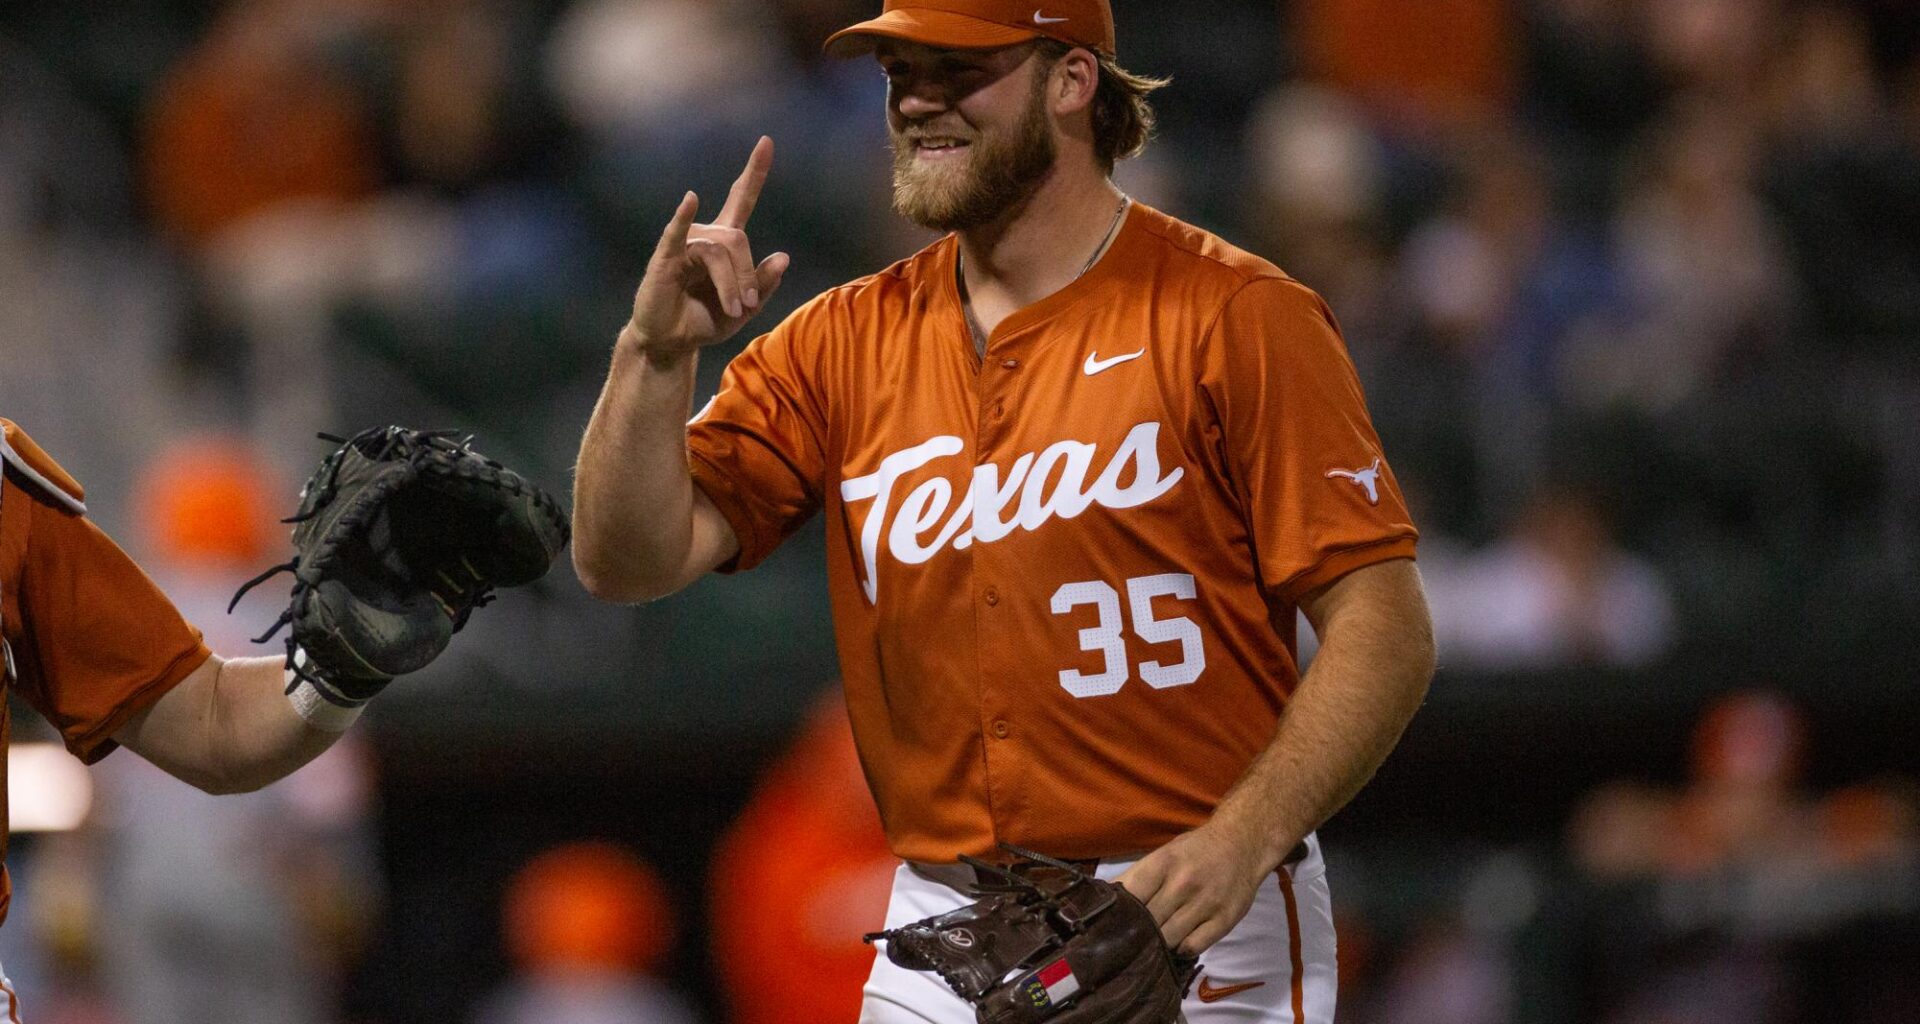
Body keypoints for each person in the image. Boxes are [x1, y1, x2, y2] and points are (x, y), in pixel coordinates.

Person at [571, 2, 1436, 1021]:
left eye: (958, 68)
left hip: (1193, 903)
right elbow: (624, 560)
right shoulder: (839, 342)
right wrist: (655, 357)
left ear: (1072, 81)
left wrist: (1245, 836)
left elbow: (1385, 626)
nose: (917, 101)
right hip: (946, 920)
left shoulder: (1236, 316)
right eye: (900, 70)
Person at [0, 418, 387, 1017]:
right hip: (264, 890)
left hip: (147, 883)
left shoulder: (127, 607)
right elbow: (328, 806)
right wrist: (335, 892)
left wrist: (71, 879)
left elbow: (84, 789)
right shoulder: (298, 619)